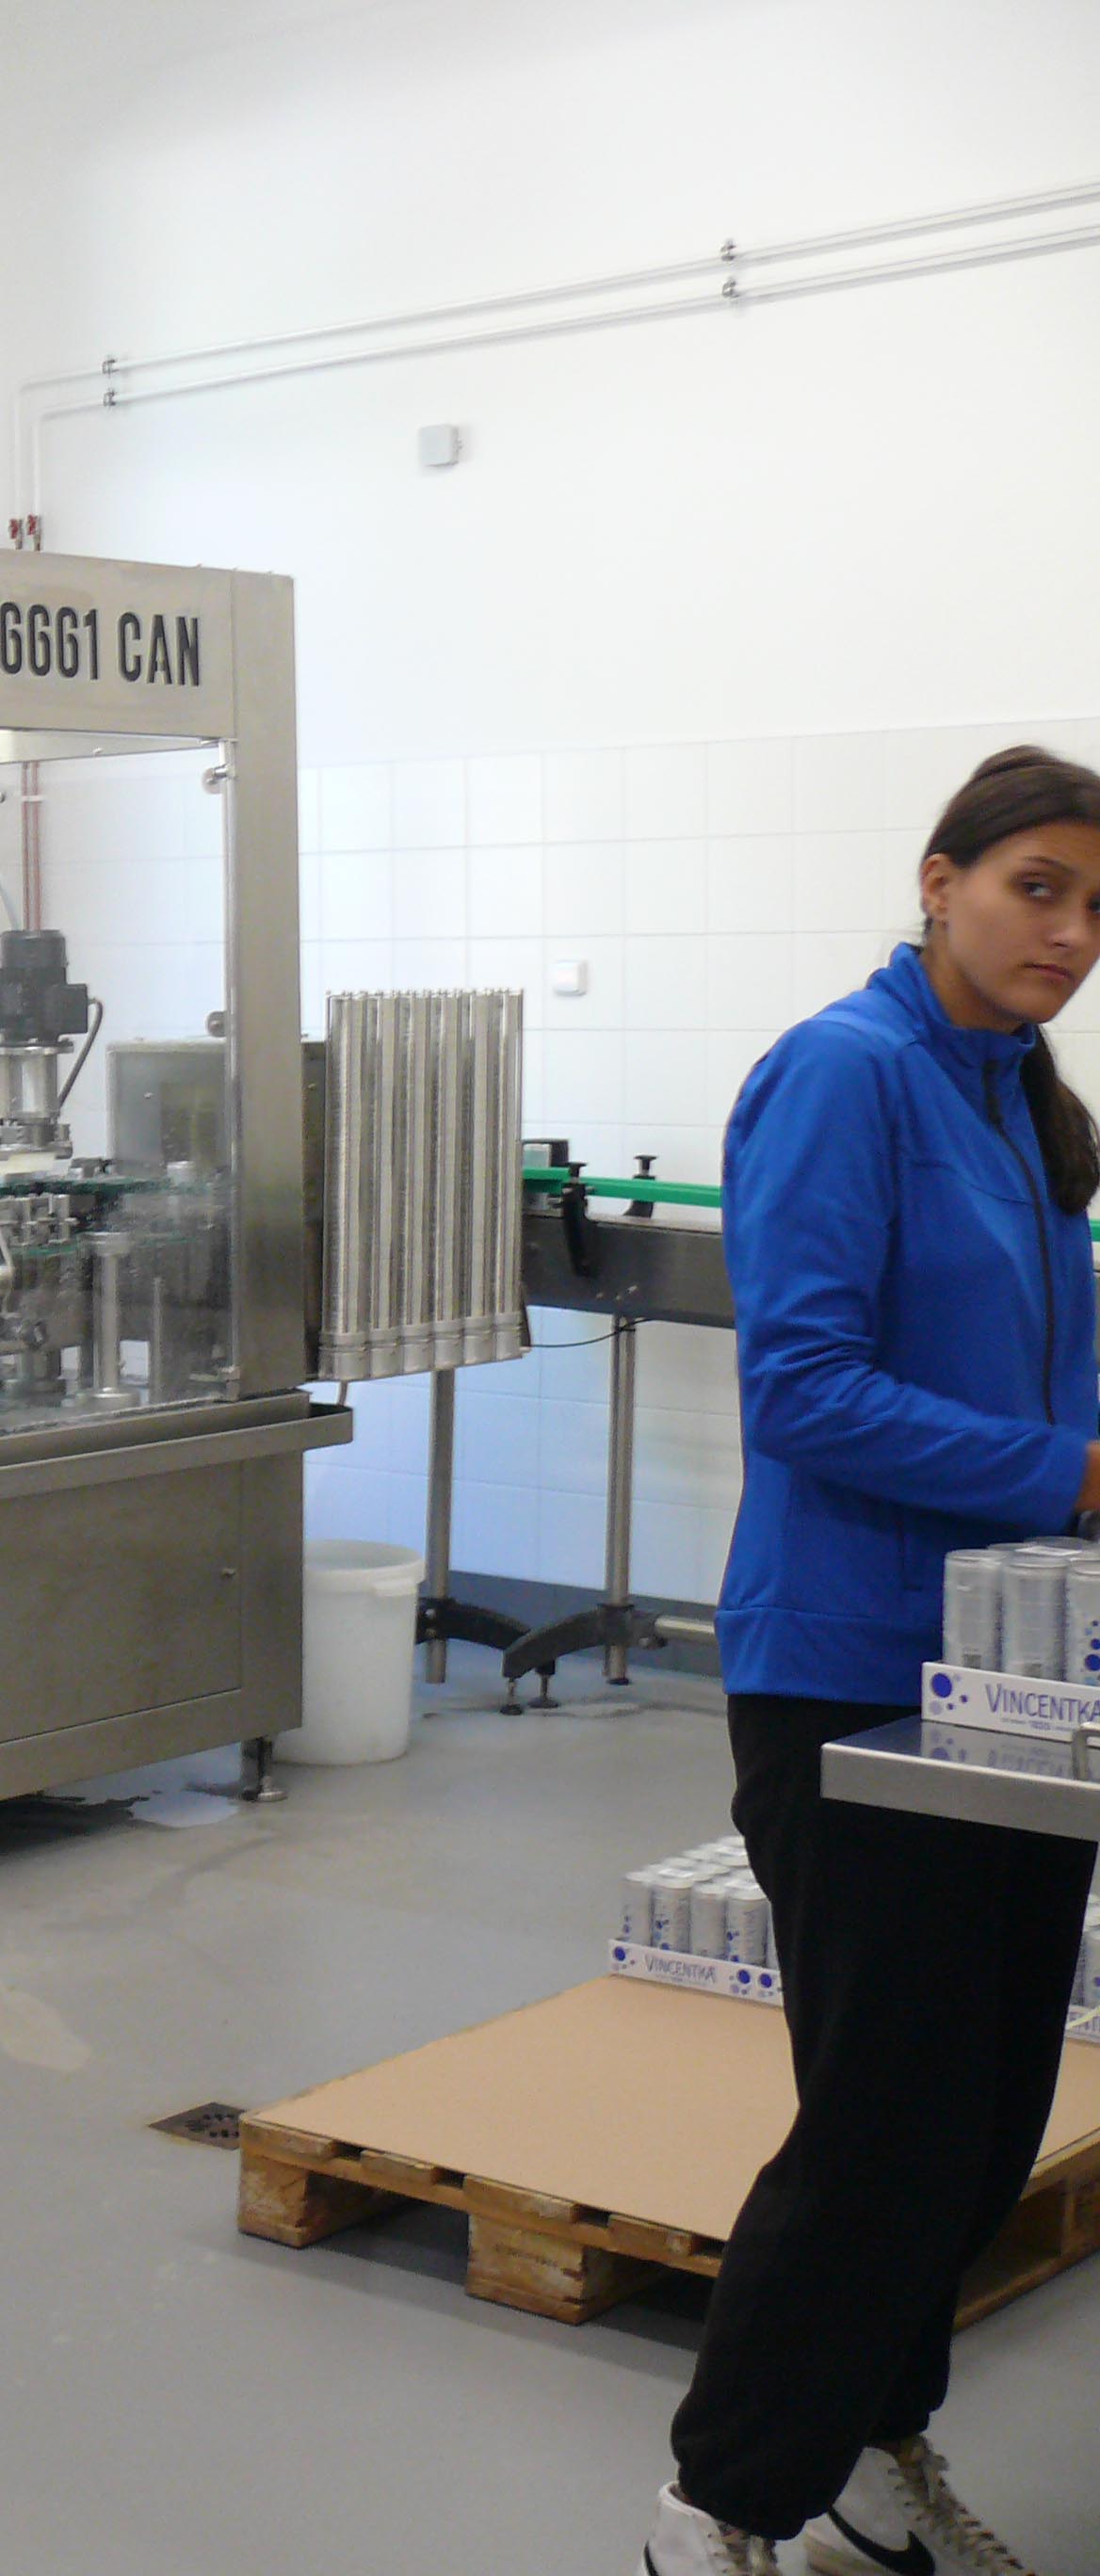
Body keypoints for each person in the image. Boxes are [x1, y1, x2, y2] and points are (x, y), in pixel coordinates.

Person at [642, 748, 1100, 2576]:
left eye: (1097, 905)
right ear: (938, 879)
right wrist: (1074, 1473)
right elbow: (807, 1391)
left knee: (984, 2125)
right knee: (886, 2128)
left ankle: (868, 2448)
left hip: (1018, 1682)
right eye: (1037, 886)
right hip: (852, 1677)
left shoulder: (1021, 1105)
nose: (1070, 931)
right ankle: (718, 2503)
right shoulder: (846, 1074)